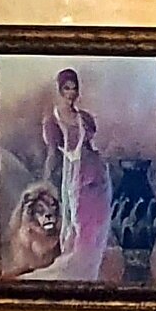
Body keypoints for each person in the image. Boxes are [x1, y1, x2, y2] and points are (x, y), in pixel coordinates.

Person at [36, 66, 111, 279]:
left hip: (92, 175)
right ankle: (72, 269)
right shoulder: (53, 119)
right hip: (71, 173)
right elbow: (53, 153)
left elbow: (89, 146)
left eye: (74, 88)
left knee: (89, 222)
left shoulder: (84, 118)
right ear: (60, 90)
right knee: (72, 218)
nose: (71, 93)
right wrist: (45, 180)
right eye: (66, 88)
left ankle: (87, 267)